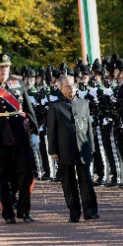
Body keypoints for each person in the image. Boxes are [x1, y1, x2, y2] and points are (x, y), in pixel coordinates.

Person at [0, 52, 39, 224]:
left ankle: (24, 210)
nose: (4, 70)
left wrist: (35, 132)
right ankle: (8, 212)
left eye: (7, 67)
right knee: (2, 177)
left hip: (21, 136)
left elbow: (28, 108)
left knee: (27, 173)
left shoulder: (17, 83)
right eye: (1, 67)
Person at [47, 69, 99, 222]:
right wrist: (53, 150)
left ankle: (91, 211)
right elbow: (52, 131)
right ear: (61, 88)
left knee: (86, 181)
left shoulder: (84, 104)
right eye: (67, 86)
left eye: (72, 85)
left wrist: (91, 147)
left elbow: (89, 127)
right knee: (69, 184)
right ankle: (74, 213)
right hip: (64, 150)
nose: (71, 88)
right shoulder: (55, 107)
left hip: (83, 148)